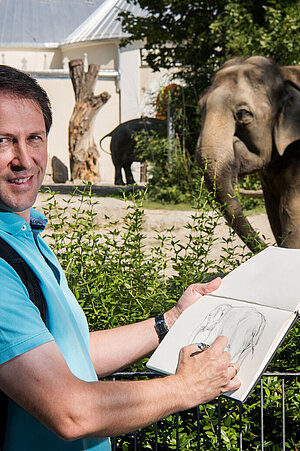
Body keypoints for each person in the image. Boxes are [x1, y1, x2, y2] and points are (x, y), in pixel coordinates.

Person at [0, 65, 240, 451]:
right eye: (3, 140)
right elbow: (72, 410)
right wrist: (187, 387)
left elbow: (69, 354)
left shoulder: (26, 240)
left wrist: (170, 321)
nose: (24, 159)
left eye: (34, 138)